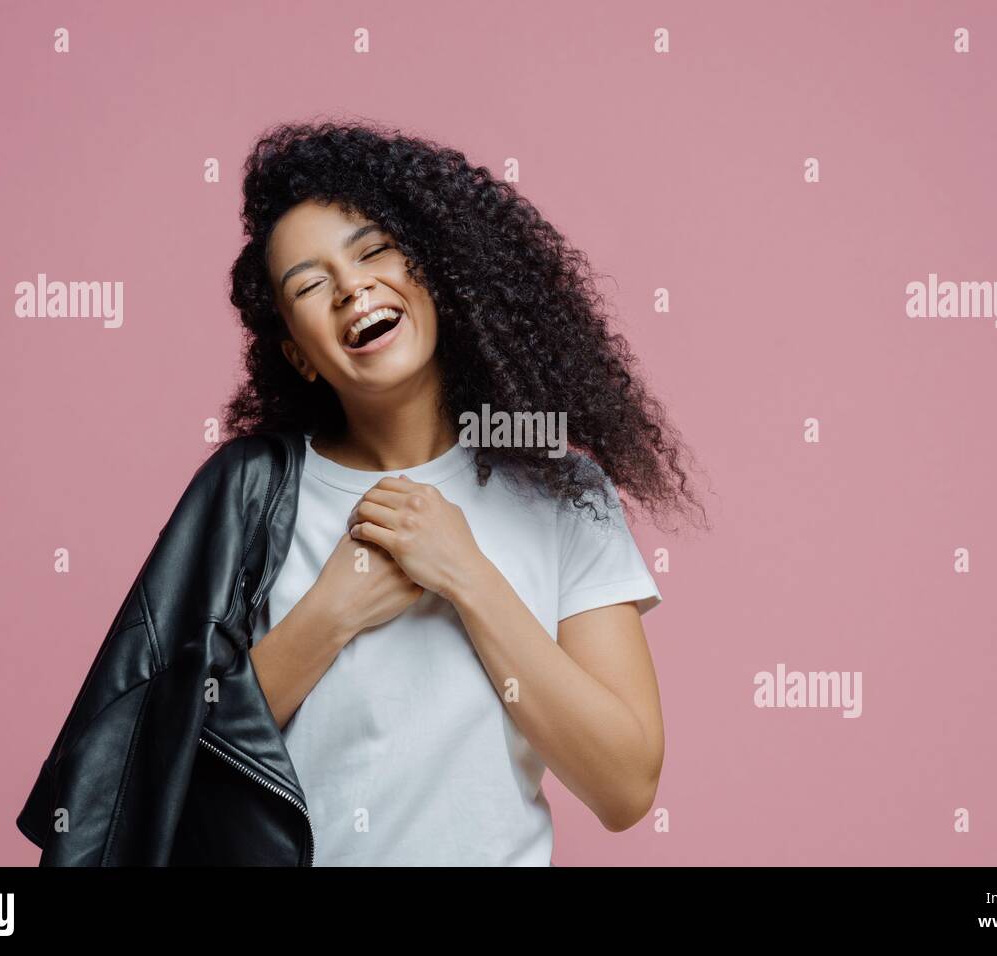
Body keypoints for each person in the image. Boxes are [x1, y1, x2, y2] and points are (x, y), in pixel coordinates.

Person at [221, 120, 706, 866]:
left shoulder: (561, 490)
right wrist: (331, 614)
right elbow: (174, 758)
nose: (352, 287)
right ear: (299, 355)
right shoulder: (254, 497)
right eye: (311, 285)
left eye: (374, 250)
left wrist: (465, 574)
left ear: (434, 272)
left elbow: (625, 786)